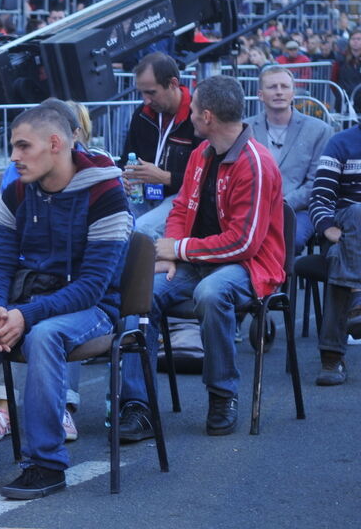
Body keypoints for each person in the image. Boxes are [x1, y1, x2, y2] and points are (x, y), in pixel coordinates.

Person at [0, 104, 131, 499]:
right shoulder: (17, 190)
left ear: (55, 144)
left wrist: (25, 315)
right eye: (13, 147)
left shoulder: (106, 192)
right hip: (27, 304)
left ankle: (46, 464)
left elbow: (93, 287)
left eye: (22, 146)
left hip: (96, 310)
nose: (13, 157)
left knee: (43, 335)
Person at [117, 76, 284, 441]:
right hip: (199, 260)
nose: (188, 113)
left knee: (211, 292)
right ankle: (138, 405)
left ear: (207, 116)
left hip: (249, 266)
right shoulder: (201, 153)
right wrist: (173, 253)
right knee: (139, 296)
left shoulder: (255, 162)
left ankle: (223, 394)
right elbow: (180, 208)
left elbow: (244, 244)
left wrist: (176, 250)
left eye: (193, 110)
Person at [246, 65, 332, 253]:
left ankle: (279, 281)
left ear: (293, 93)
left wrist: (281, 204)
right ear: (260, 94)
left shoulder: (319, 130)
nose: (279, 92)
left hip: (297, 209)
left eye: (284, 87)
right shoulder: (245, 129)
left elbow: (316, 183)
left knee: (285, 240)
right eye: (272, 87)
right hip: (251, 208)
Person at [121, 52, 204, 239]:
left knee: (141, 230)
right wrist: (125, 177)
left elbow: (206, 179)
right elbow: (126, 158)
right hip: (141, 195)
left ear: (173, 84)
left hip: (181, 198)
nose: (145, 100)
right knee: (109, 222)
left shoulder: (197, 117)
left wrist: (165, 178)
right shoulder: (142, 114)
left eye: (151, 92)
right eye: (141, 92)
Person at [309, 120, 361, 385]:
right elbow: (319, 198)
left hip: (348, 245)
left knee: (339, 258)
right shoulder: (340, 143)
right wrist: (328, 229)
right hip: (344, 231)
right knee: (356, 213)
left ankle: (331, 359)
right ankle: (356, 301)